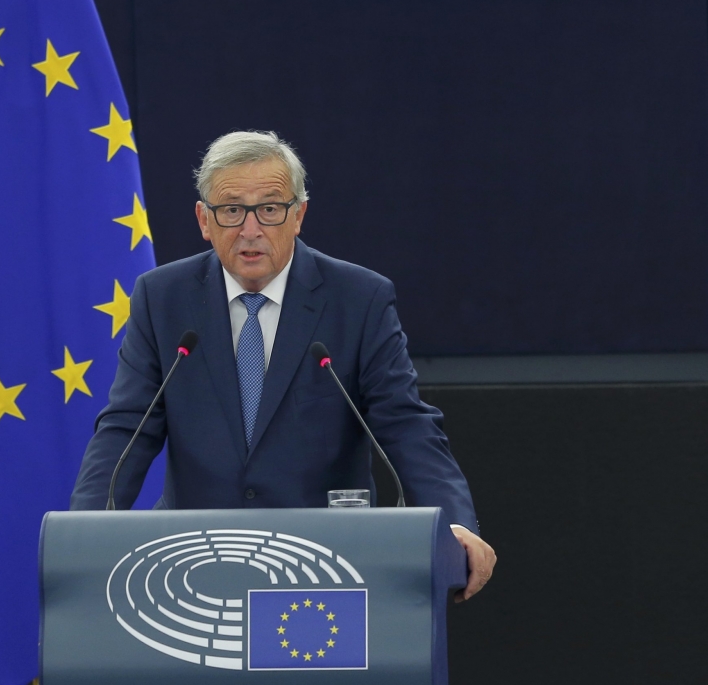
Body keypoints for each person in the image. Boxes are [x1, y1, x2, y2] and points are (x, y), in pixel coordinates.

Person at [70, 131, 496, 601]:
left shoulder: (358, 299)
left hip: (329, 564)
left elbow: (406, 423)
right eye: (231, 210)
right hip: (193, 563)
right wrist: (84, 532)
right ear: (203, 220)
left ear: (299, 215)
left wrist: (454, 520)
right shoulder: (162, 298)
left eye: (270, 209)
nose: (250, 229)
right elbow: (127, 428)